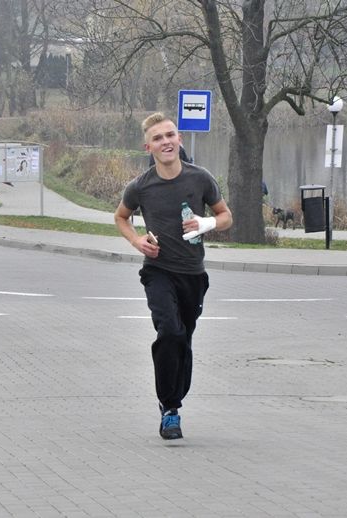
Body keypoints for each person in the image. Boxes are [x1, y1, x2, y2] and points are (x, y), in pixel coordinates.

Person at [114, 112, 233, 441]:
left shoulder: (200, 179)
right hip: (158, 271)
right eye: (158, 138)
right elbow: (121, 217)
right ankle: (170, 408)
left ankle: (174, 398)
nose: (165, 141)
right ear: (148, 146)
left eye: (170, 135)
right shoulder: (140, 186)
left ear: (179, 140)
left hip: (193, 275)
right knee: (170, 332)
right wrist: (137, 240)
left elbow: (225, 216)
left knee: (184, 340)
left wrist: (205, 223)